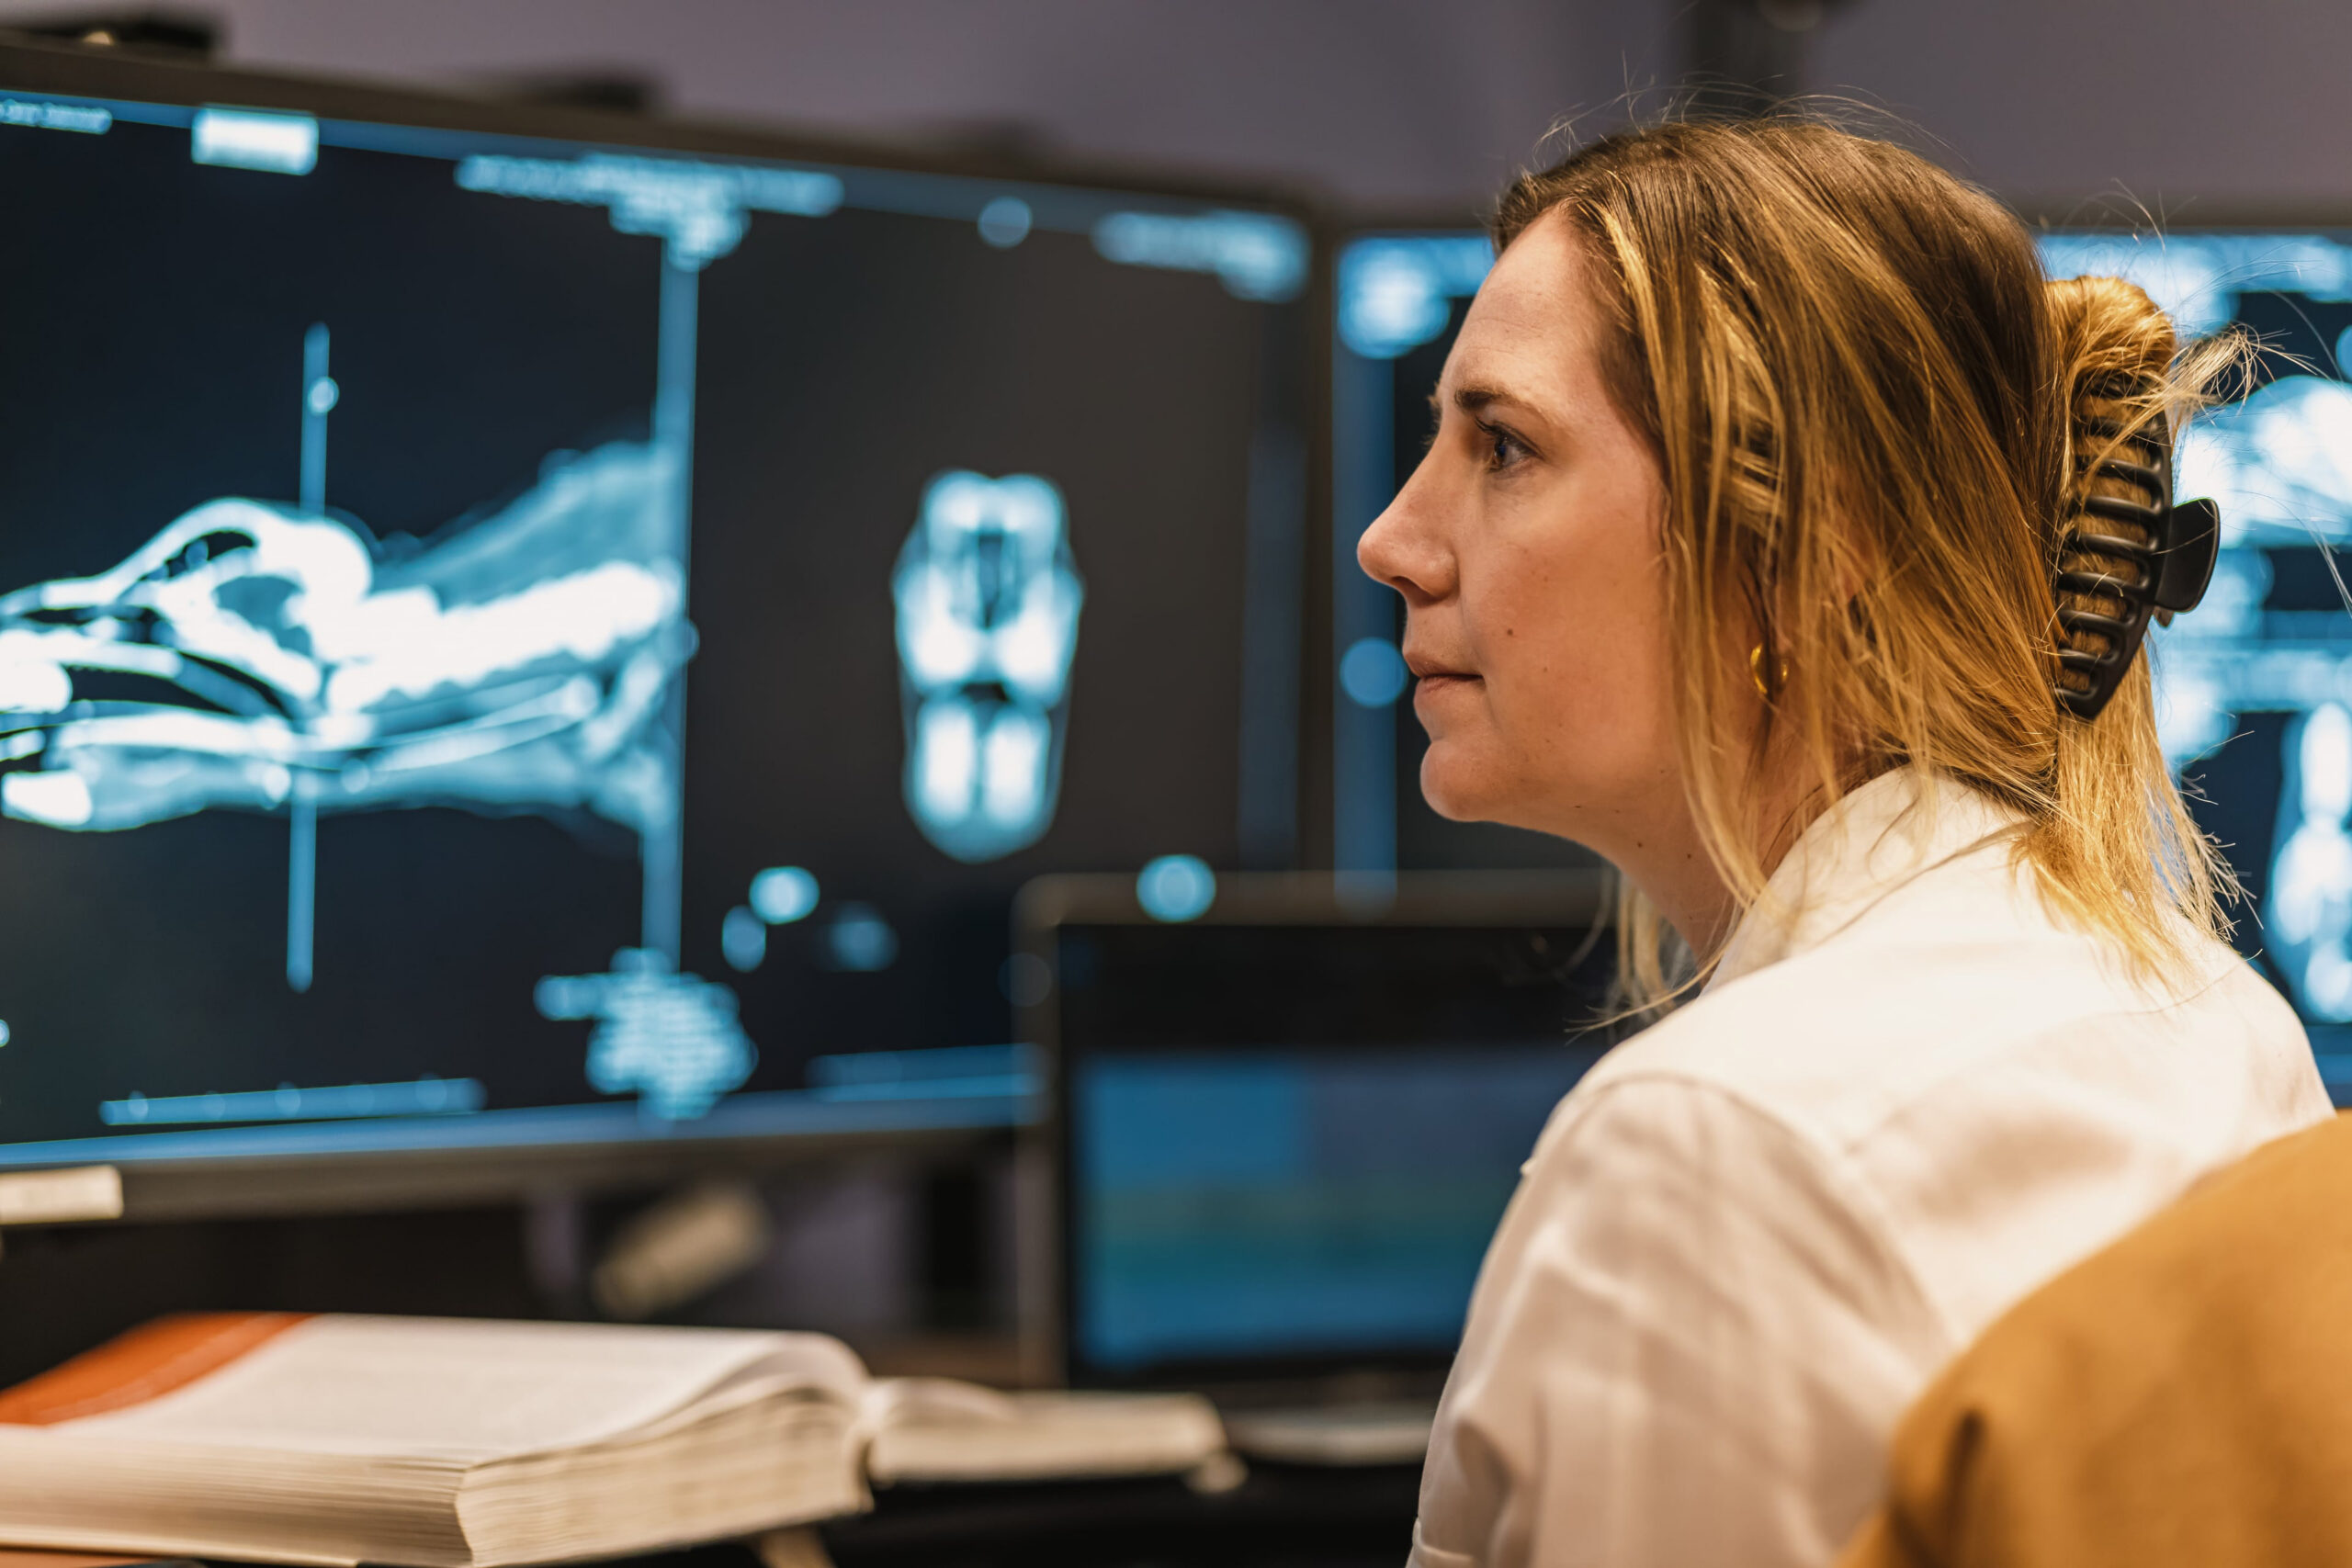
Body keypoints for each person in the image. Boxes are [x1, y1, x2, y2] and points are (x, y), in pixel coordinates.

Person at [1356, 113, 2334, 1568]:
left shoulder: (1716, 1150)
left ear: (1810, 543)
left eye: (1502, 445)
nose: (1394, 537)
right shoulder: (2221, 1024)